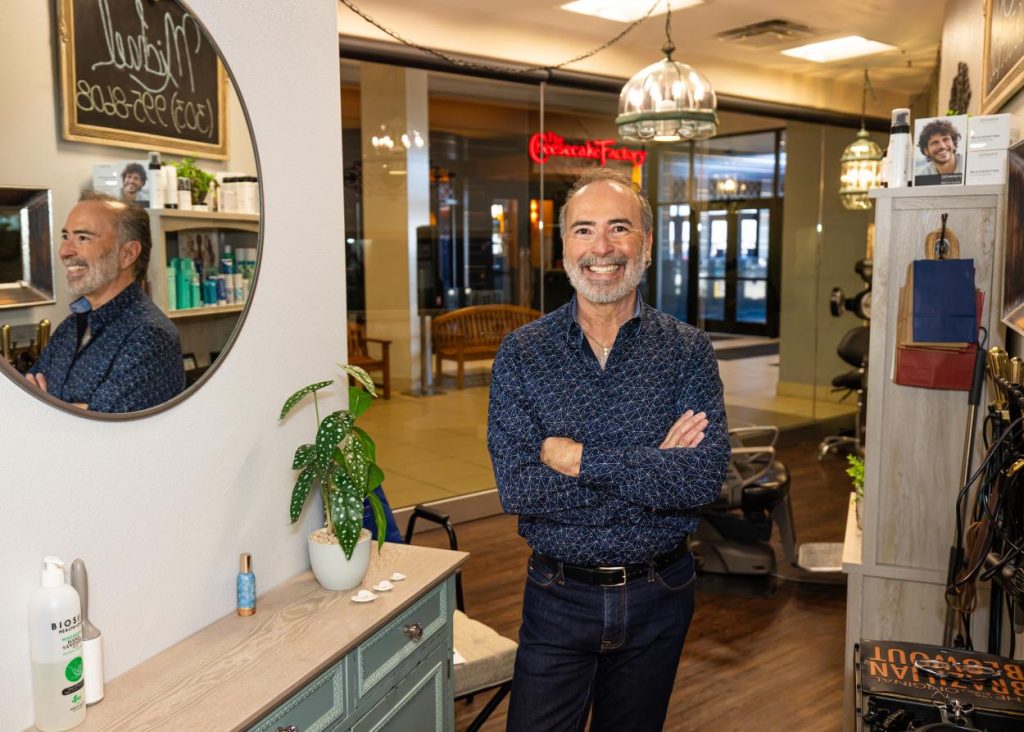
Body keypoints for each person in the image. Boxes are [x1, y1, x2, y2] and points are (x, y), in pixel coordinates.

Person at [487, 167, 730, 731]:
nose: (602, 247)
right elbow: (519, 488)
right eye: (584, 229)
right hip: (558, 594)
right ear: (564, 247)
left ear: (646, 243)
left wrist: (578, 459)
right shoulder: (523, 353)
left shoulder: (688, 351)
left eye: (619, 228)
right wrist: (652, 469)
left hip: (660, 594)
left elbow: (700, 479)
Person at [26, 193, 185, 412]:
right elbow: (27, 400)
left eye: (83, 238)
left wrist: (52, 408)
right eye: (66, 236)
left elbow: (101, 426)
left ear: (127, 254)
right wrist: (75, 409)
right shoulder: (70, 327)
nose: (65, 251)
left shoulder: (150, 337)